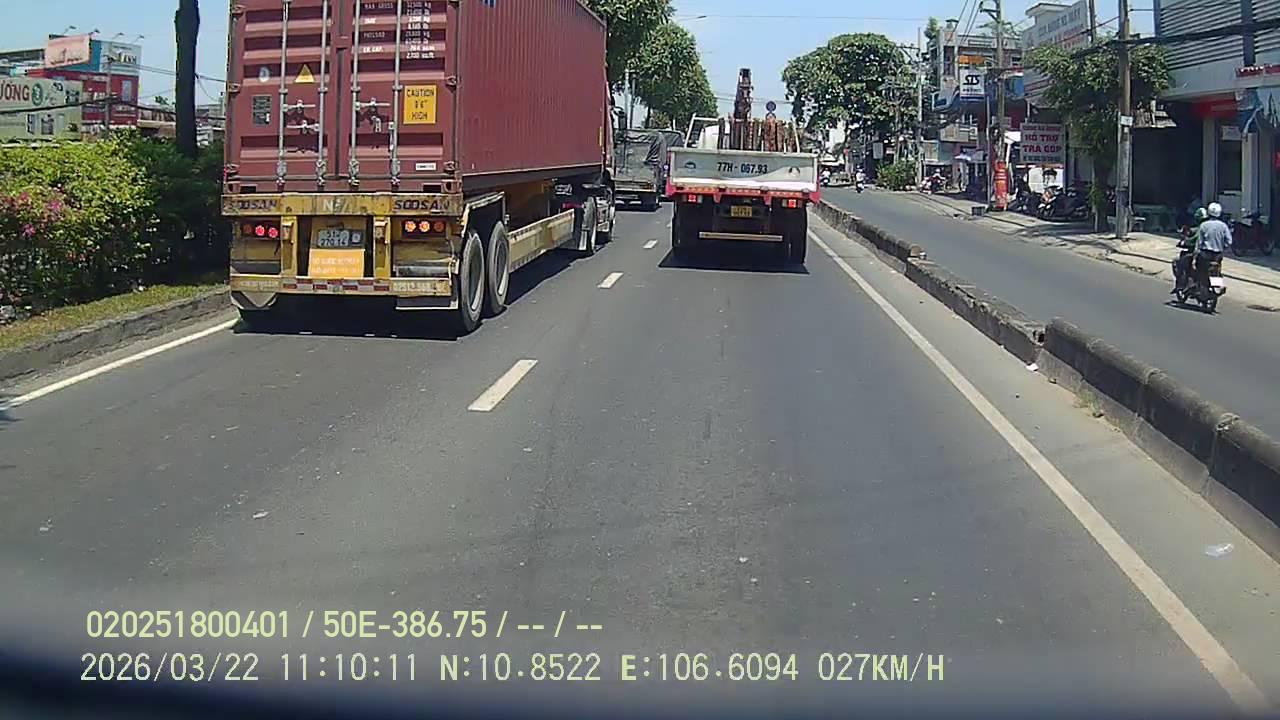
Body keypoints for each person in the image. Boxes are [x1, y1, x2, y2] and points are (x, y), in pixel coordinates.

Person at [1193, 202, 1233, 287]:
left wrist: (1195, 253)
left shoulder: (1204, 225)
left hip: (1205, 254)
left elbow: (1199, 242)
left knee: (1198, 268)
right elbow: (1229, 241)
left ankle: (1198, 284)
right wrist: (1223, 247)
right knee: (1217, 268)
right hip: (1218, 255)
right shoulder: (1223, 226)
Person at [1172, 207, 1206, 293]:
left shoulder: (1201, 228)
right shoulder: (1209, 227)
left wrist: (1184, 242)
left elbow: (1193, 240)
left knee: (1178, 262)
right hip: (1209, 253)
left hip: (1197, 253)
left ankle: (1181, 284)